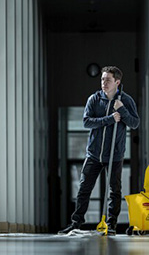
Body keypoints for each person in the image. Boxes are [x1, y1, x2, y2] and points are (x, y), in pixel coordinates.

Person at [59, 66, 140, 235]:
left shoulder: (126, 100)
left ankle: (111, 225)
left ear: (117, 82)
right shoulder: (94, 99)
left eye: (108, 80)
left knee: (114, 191)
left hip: (115, 155)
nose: (104, 83)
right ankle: (76, 224)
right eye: (102, 79)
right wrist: (109, 119)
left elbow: (134, 123)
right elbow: (87, 122)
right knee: (84, 189)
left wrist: (122, 110)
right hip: (94, 154)